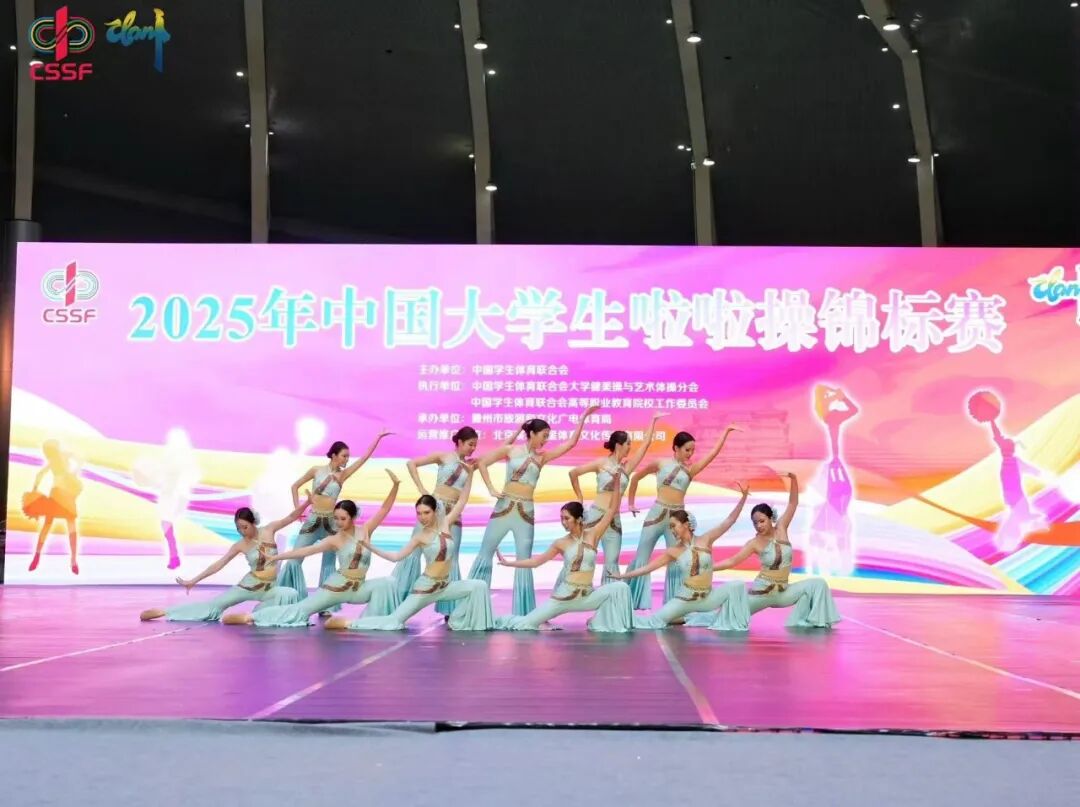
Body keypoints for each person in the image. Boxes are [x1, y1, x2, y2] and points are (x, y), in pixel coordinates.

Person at [468, 408, 600, 616]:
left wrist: (583, 417)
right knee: (485, 554)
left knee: (524, 559)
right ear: (532, 434)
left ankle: (524, 614)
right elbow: (482, 463)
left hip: (525, 514)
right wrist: (491, 489)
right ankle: (471, 608)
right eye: (544, 436)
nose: (546, 440)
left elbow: (571, 443)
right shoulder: (510, 450)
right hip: (503, 508)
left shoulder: (542, 457)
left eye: (548, 436)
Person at [331, 472, 493, 631]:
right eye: (419, 513)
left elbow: (462, 500)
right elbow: (396, 557)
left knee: (479, 586)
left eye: (426, 512)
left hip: (446, 586)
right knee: (394, 621)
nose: (422, 517)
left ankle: (461, 619)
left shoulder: (446, 523)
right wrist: (369, 546)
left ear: (435, 511)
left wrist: (470, 474)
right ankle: (349, 623)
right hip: (426, 588)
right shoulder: (420, 536)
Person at [237, 472, 402, 627]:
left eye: (343, 518)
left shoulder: (365, 530)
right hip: (336, 588)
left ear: (353, 517)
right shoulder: (335, 539)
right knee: (300, 610)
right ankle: (254, 616)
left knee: (387, 583)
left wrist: (395, 485)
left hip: (359, 588)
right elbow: (305, 551)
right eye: (335, 518)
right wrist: (276, 557)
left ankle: (369, 622)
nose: (338, 522)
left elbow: (384, 509)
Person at [688, 473, 840, 630]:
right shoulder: (754, 543)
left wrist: (794, 479)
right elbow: (732, 561)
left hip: (783, 593)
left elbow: (793, 503)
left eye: (762, 521)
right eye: (755, 523)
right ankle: (689, 615)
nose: (759, 526)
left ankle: (815, 621)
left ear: (771, 518)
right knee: (724, 617)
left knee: (818, 584)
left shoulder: (781, 528)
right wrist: (707, 568)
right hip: (762, 594)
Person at [396, 425, 516, 615]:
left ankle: (449, 608)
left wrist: (518, 431)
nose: (473, 448)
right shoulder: (443, 457)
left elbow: (500, 450)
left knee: (451, 557)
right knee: (414, 553)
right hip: (433, 511)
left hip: (454, 512)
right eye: (470, 444)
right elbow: (411, 464)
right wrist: (422, 490)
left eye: (475, 445)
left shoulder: (470, 465)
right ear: (459, 442)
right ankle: (400, 599)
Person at [493, 476, 633, 632]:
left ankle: (600, 622)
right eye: (561, 519)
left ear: (578, 519)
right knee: (525, 624)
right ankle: (497, 619)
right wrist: (509, 563)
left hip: (587, 596)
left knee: (620, 588)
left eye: (567, 518)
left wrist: (616, 483)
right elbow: (536, 562)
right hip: (563, 598)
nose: (563, 522)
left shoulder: (593, 534)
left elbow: (612, 509)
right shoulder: (560, 543)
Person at [624, 426, 739, 609]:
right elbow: (636, 477)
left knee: (676, 563)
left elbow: (712, 454)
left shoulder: (690, 470)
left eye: (693, 450)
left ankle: (675, 604)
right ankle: (632, 601)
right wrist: (631, 503)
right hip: (656, 515)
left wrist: (724, 432)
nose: (690, 454)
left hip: (677, 521)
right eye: (687, 449)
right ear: (676, 448)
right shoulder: (660, 463)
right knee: (641, 556)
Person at [278, 431, 392, 610]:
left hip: (332, 524)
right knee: (295, 559)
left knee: (328, 564)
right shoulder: (316, 470)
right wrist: (298, 509)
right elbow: (295, 486)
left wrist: (377, 438)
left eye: (348, 456)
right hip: (312, 521)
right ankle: (287, 599)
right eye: (344, 456)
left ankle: (327, 605)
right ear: (333, 455)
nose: (347, 459)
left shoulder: (342, 475)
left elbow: (364, 458)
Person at [138, 502, 307, 622]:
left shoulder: (269, 530)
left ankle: (255, 616)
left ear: (253, 523)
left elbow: (291, 517)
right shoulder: (240, 545)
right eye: (238, 528)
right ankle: (166, 612)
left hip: (269, 588)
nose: (242, 531)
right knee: (213, 607)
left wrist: (307, 502)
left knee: (290, 594)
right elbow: (218, 565)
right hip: (248, 586)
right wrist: (193, 581)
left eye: (245, 527)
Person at [610, 490, 751, 631]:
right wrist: (623, 575)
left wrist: (743, 498)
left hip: (708, 598)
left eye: (674, 526)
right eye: (670, 527)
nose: (672, 530)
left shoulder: (706, 540)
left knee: (737, 585)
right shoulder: (673, 551)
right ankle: (619, 617)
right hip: (685, 600)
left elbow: (729, 521)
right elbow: (647, 568)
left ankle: (693, 618)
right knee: (653, 621)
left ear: (686, 524)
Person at [565, 413, 663, 585]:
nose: (630, 447)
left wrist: (653, 420)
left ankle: (609, 597)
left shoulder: (627, 468)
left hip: (614, 521)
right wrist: (579, 498)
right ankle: (574, 590)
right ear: (618, 445)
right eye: (628, 444)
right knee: (582, 556)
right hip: (595, 517)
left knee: (612, 562)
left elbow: (646, 444)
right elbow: (573, 473)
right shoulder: (601, 463)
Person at [809, 385, 858, 575]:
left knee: (832, 513)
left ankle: (831, 563)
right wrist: (840, 396)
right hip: (831, 469)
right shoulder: (829, 416)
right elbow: (852, 409)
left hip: (832, 469)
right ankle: (830, 563)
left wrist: (840, 397)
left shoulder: (828, 416)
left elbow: (853, 410)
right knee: (832, 513)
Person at [23, 440, 84, 575]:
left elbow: (40, 474)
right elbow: (80, 460)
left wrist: (34, 489)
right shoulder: (63, 456)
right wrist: (74, 474)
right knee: (71, 525)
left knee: (47, 524)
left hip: (57, 493)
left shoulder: (54, 460)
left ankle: (37, 555)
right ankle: (73, 560)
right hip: (66, 493)